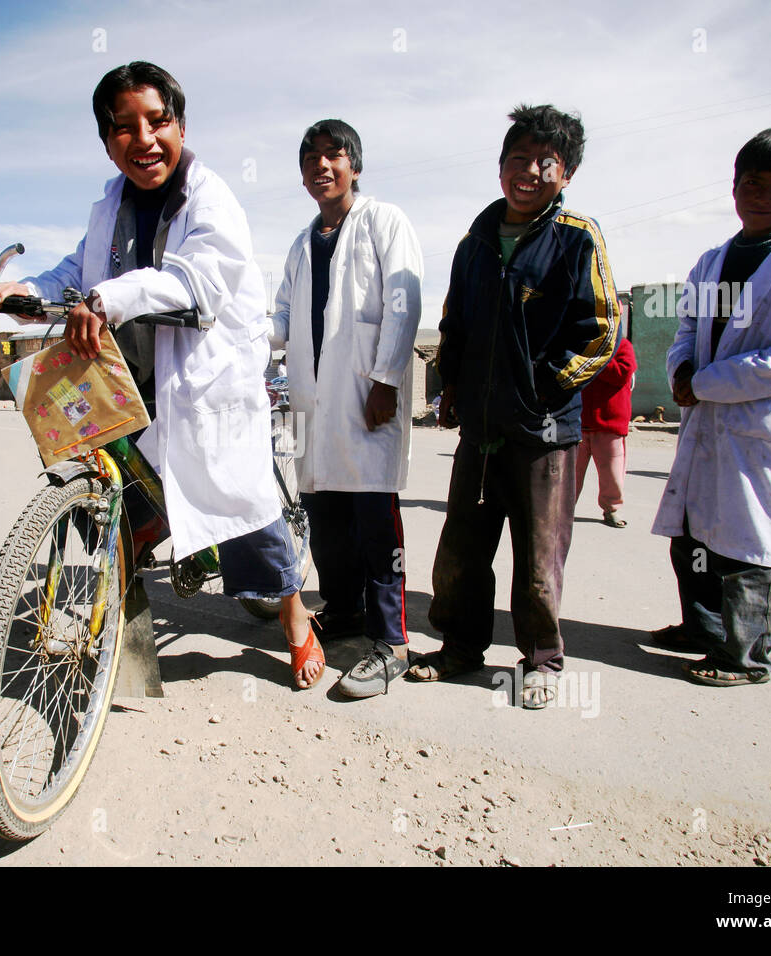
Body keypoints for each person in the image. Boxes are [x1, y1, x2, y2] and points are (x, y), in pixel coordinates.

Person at [0, 61, 326, 690]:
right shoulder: (108, 204)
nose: (143, 140)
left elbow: (198, 280)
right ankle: (116, 616)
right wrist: (25, 289)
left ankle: (295, 619)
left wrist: (107, 300)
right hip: (131, 378)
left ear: (180, 125)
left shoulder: (210, 196)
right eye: (123, 128)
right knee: (128, 495)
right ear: (107, 141)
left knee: (244, 509)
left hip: (205, 383)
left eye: (157, 121)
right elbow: (78, 270)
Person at [409, 104, 618, 708]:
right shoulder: (474, 243)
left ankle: (543, 661)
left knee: (538, 557)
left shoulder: (578, 237)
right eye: (517, 159)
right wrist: (451, 386)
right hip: (479, 428)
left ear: (567, 172)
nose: (529, 171)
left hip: (544, 432)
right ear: (500, 168)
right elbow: (454, 322)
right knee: (461, 551)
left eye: (544, 162)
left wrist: (547, 386)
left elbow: (603, 328)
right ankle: (459, 649)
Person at [651, 123, 771, 687]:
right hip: (706, 418)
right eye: (749, 182)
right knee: (693, 534)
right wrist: (682, 371)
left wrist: (710, 382)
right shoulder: (714, 260)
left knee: (749, 543)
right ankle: (703, 630)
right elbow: (688, 327)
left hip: (757, 425)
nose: (759, 196)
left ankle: (746, 655)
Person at [268, 119, 423, 698]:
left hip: (365, 397)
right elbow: (282, 317)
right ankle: (345, 611)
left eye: (334, 156)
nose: (322, 167)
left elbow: (403, 305)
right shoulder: (300, 243)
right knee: (325, 515)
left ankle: (392, 642)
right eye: (311, 159)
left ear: (354, 165)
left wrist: (385, 380)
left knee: (374, 521)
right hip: (311, 404)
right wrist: (246, 340)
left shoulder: (384, 221)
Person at [575, 336, 637, 527]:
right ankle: (562, 509)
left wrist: (595, 361)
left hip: (610, 423)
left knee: (612, 474)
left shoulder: (623, 346)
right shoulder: (580, 343)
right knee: (570, 474)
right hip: (578, 421)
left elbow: (622, 373)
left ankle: (611, 509)